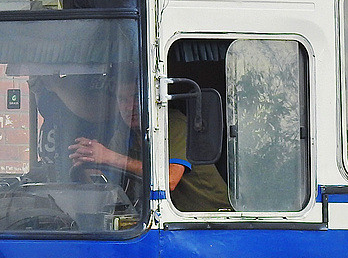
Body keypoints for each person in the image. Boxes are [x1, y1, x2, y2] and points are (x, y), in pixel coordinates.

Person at [68, 87, 229, 212]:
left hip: (214, 221)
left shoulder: (174, 123)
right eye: (122, 99)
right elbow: (110, 182)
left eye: (136, 98)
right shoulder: (124, 133)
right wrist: (89, 160)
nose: (129, 107)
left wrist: (108, 157)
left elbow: (169, 180)